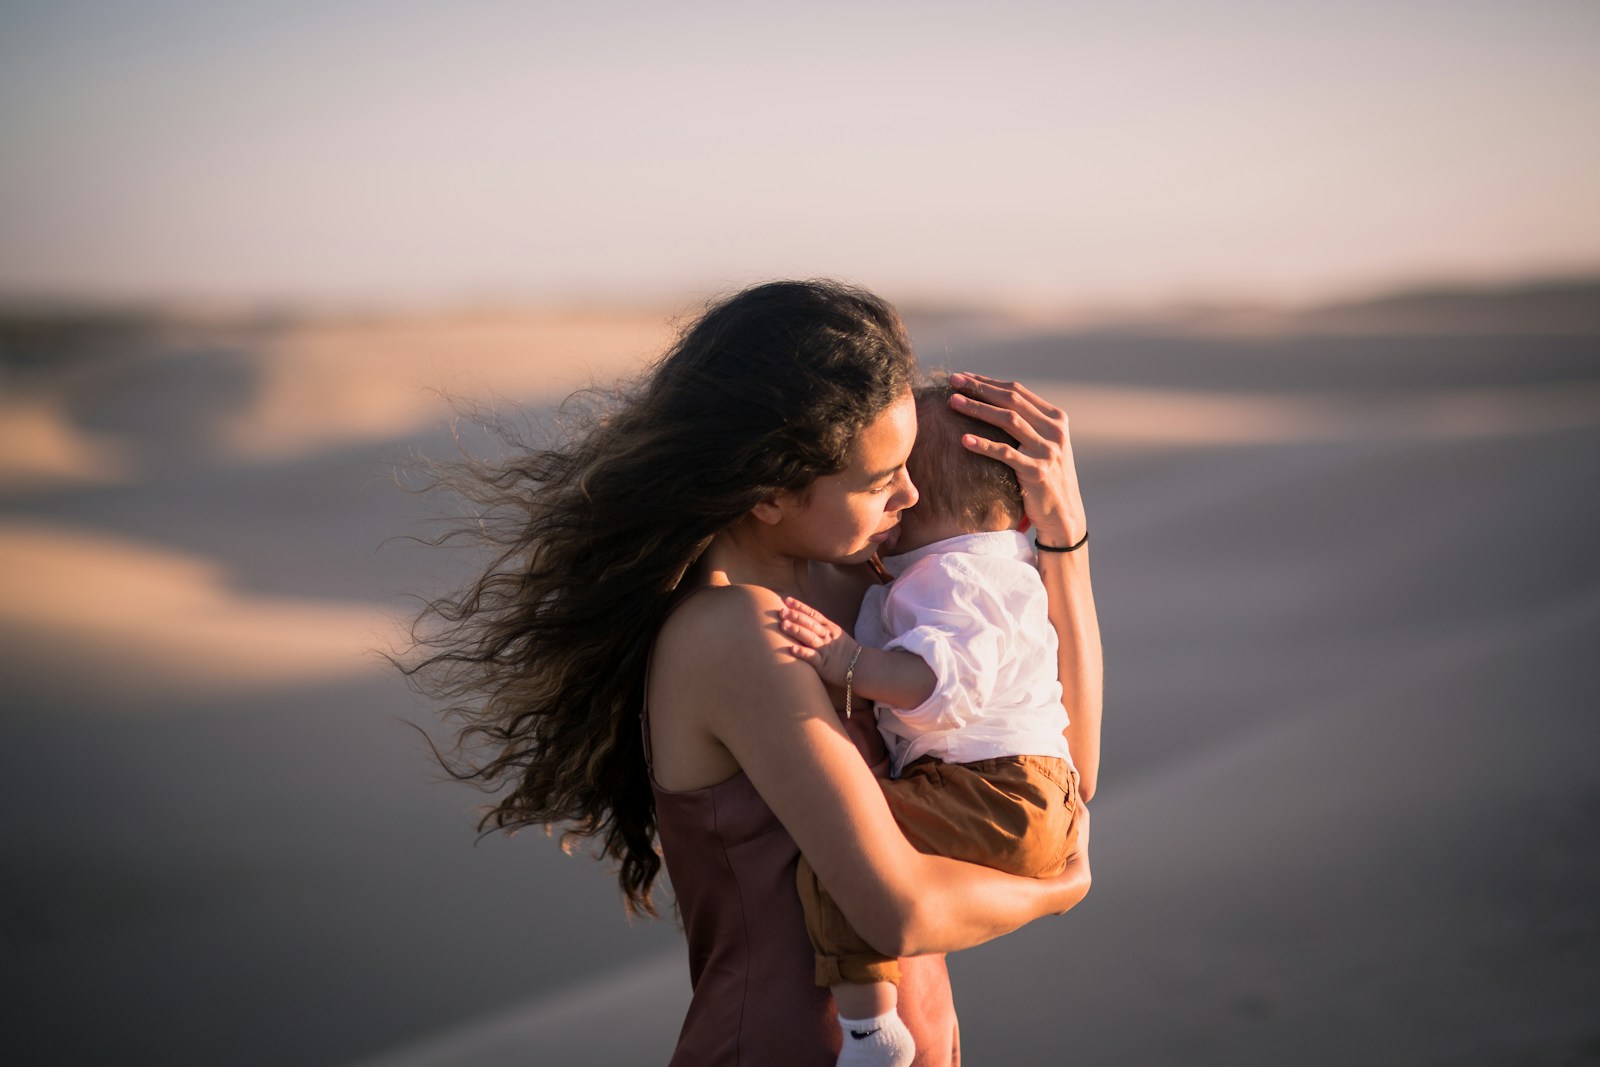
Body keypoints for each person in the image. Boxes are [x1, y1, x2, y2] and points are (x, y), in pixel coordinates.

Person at [405, 280, 1103, 1066]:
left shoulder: (866, 592)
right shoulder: (734, 634)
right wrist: (1058, 889)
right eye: (880, 480)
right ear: (770, 494)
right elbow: (897, 908)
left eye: (909, 465)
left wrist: (1062, 540)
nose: (908, 494)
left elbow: (1061, 766)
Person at [779, 380, 1085, 1067]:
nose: (899, 506)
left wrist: (845, 661)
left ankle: (869, 1032)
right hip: (1016, 789)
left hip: (993, 787)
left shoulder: (957, 576)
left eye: (906, 484)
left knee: (843, 858)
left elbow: (943, 682)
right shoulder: (988, 570)